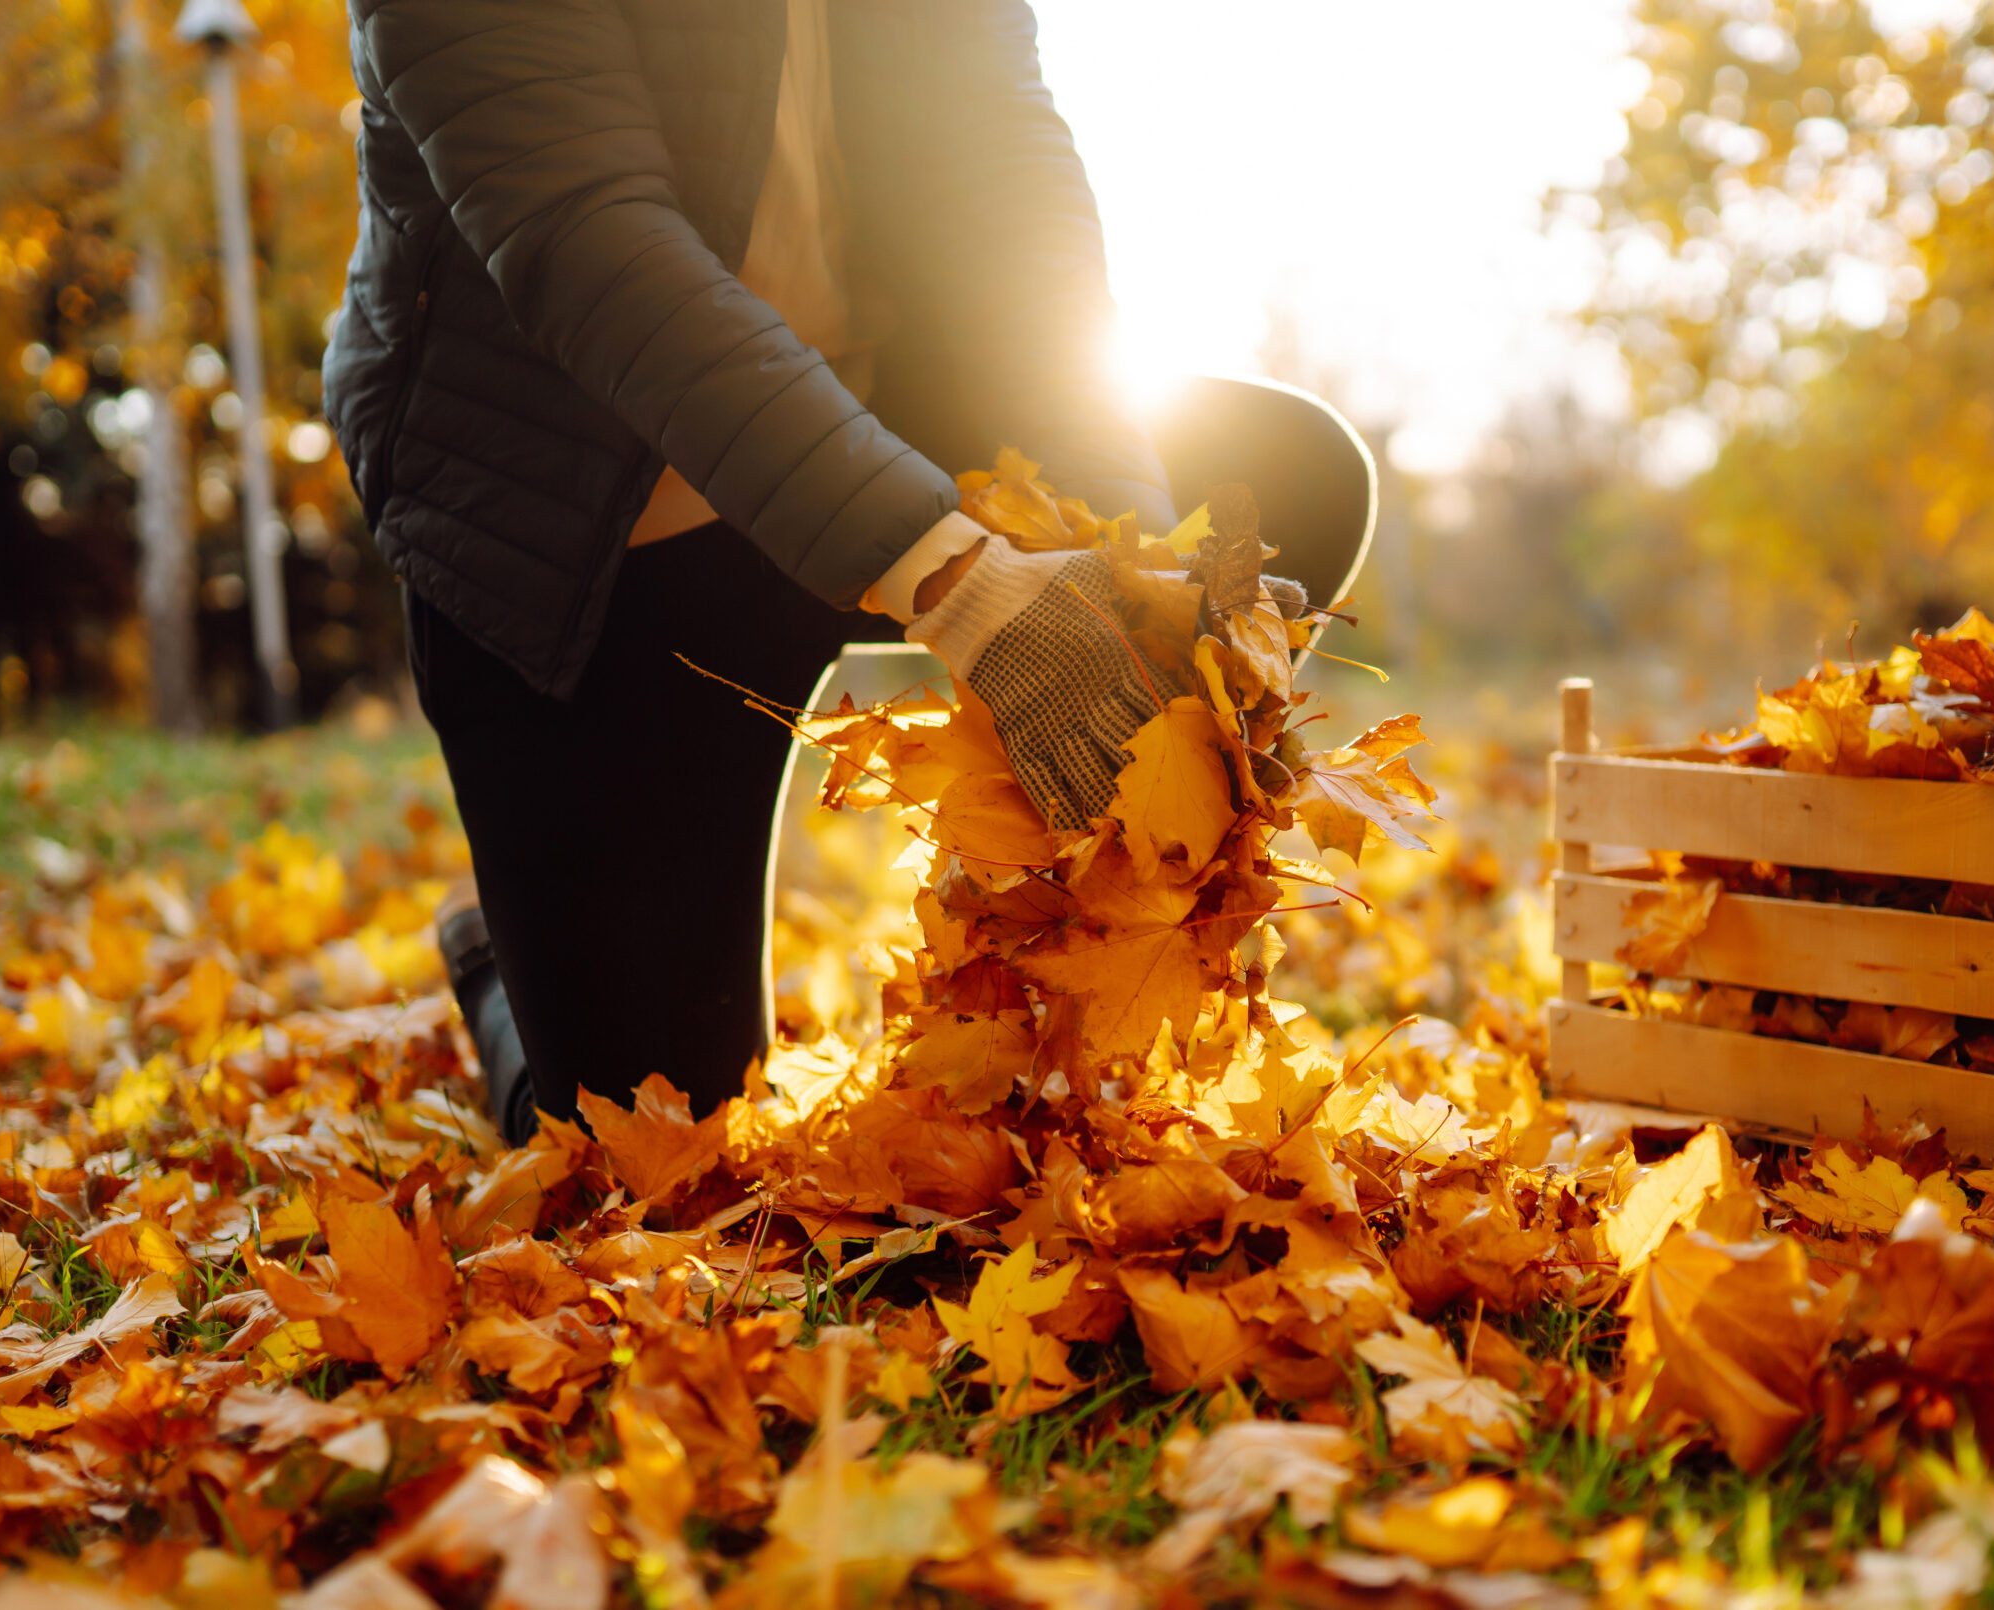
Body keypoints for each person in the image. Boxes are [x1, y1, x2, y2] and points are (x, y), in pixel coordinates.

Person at [325, 1, 1372, 1143]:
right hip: (598, 513)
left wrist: (1134, 557)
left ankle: (1049, 952)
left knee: (1279, 478)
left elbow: (1007, 171)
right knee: (650, 1150)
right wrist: (958, 583)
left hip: (894, 425)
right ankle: (503, 962)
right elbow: (586, 237)